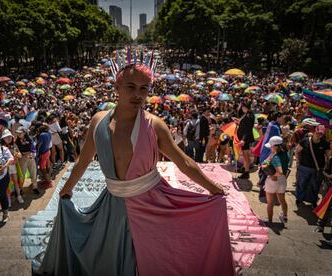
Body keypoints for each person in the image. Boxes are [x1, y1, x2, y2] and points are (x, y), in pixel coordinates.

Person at [39, 63, 234, 275]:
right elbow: (83, 160)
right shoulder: (98, 121)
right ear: (117, 87)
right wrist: (66, 189)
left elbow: (184, 162)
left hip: (153, 203)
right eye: (131, 87)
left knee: (157, 260)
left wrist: (214, 188)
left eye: (144, 88)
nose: (137, 94)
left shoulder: (155, 125)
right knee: (113, 259)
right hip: (112, 204)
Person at [295, 125, 332, 207]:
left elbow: (328, 155)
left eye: (321, 134)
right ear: (314, 132)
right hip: (304, 167)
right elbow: (297, 151)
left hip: (317, 169)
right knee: (302, 183)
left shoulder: (324, 143)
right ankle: (299, 198)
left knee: (315, 186)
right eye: (317, 133)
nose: (319, 135)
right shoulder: (305, 141)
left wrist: (331, 149)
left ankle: (313, 201)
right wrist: (297, 161)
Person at [262, 136, 289, 223]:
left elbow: (280, 171)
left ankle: (269, 220)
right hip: (283, 180)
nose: (270, 147)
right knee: (282, 200)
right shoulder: (285, 153)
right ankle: (285, 217)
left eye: (271, 146)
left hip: (273, 181)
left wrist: (272, 175)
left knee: (270, 202)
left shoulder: (276, 157)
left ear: (276, 146)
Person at [15, 126, 39, 194]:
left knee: (33, 172)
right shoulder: (16, 141)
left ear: (24, 133)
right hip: (22, 157)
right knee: (22, 174)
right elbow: (16, 150)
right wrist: (21, 155)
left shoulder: (30, 139)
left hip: (30, 156)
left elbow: (33, 147)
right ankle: (21, 188)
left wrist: (33, 154)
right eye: (18, 133)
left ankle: (35, 187)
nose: (18, 134)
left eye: (20, 133)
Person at [236, 101, 255, 179]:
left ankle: (246, 172)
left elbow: (247, 129)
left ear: (246, 107)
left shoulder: (248, 116)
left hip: (245, 139)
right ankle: (245, 169)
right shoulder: (248, 114)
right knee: (245, 155)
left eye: (243, 107)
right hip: (245, 138)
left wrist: (243, 139)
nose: (242, 108)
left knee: (246, 155)